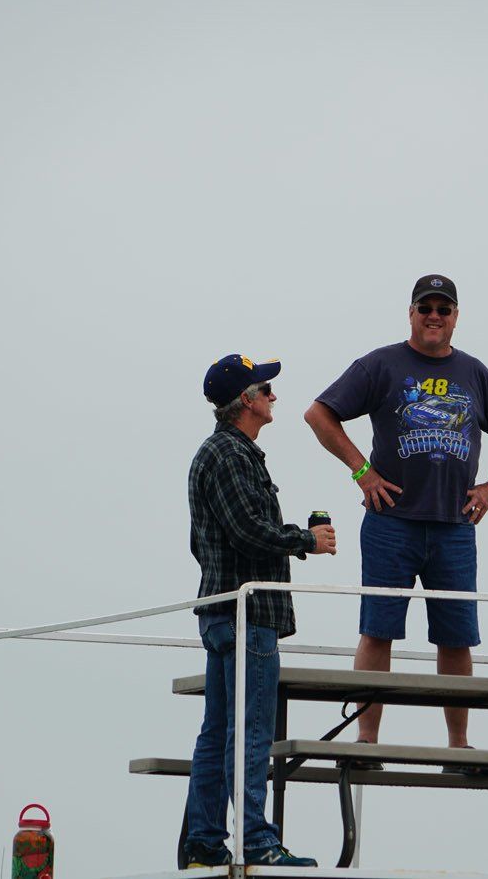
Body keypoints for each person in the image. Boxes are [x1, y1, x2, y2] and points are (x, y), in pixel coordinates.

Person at [304, 275, 488, 770]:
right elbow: (319, 413)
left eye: (443, 308)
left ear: (455, 316)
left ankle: (458, 746)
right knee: (377, 630)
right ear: (410, 313)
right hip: (391, 521)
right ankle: (367, 742)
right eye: (425, 307)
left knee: (456, 638)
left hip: (454, 526)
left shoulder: (475, 373)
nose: (434, 316)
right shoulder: (381, 364)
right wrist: (363, 471)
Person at [185, 354, 337, 868]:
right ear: (246, 400)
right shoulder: (229, 455)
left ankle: (204, 842)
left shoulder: (224, 453)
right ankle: (256, 842)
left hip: (226, 612)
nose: (273, 396)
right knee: (249, 733)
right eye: (266, 389)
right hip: (247, 618)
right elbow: (247, 531)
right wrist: (305, 541)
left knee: (217, 733)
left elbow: (209, 539)